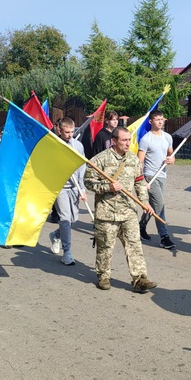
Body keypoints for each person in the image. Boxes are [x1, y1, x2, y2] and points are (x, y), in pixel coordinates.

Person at [84, 127, 157, 293]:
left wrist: (144, 202)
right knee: (105, 247)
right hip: (106, 212)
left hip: (128, 212)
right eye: (124, 140)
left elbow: (139, 181)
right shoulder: (99, 160)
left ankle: (140, 279)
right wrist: (107, 187)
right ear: (114, 141)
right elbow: (88, 182)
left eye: (129, 140)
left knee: (134, 245)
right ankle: (103, 276)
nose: (127, 143)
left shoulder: (133, 160)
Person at [48, 118, 87, 265]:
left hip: (74, 187)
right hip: (60, 188)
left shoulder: (78, 145)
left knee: (73, 219)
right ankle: (67, 252)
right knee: (65, 218)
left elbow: (81, 168)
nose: (70, 135)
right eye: (67, 132)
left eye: (72, 132)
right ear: (59, 130)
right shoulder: (54, 145)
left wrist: (82, 188)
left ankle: (56, 235)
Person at [137, 110, 176, 249]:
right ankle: (164, 237)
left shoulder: (167, 137)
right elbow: (139, 162)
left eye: (162, 119)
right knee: (159, 205)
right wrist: (142, 180)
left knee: (152, 205)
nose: (160, 122)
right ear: (151, 121)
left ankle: (140, 227)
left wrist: (172, 160)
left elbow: (171, 154)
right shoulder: (146, 139)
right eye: (157, 119)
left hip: (162, 175)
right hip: (149, 176)